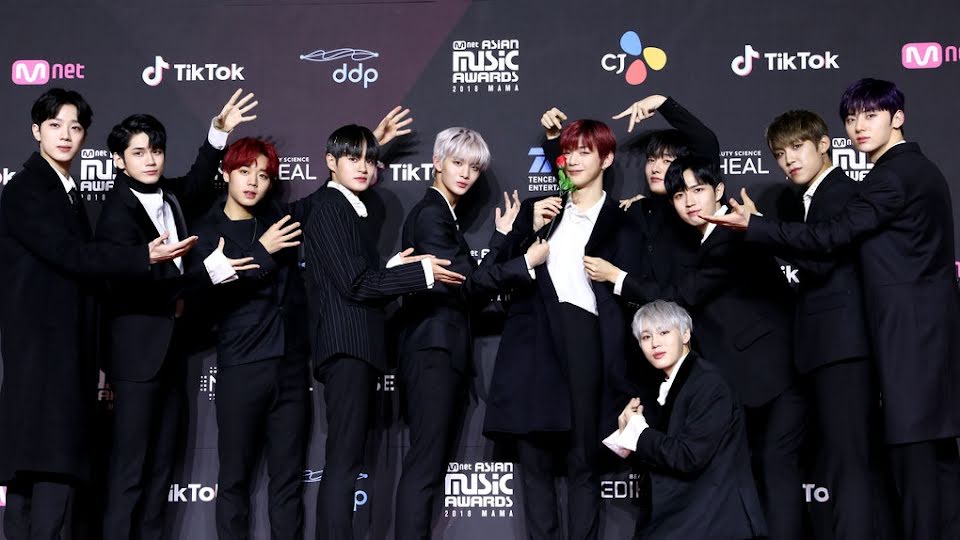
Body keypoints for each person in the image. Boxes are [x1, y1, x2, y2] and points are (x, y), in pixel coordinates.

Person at [706, 78, 960, 539]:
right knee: (925, 463)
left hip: (905, 339)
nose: (859, 126)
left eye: (871, 114)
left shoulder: (890, 178)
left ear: (898, 117)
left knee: (903, 465)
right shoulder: (912, 171)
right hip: (914, 338)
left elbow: (831, 239)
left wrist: (757, 227)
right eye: (851, 117)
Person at [0, 88, 191, 539]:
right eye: (55, 125)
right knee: (45, 464)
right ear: (36, 131)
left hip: (63, 348)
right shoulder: (27, 189)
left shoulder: (66, 192)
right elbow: (69, 254)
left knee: (41, 467)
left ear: (85, 135)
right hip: (42, 349)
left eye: (75, 127)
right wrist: (141, 256)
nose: (66, 135)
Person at [583, 156, 805, 540]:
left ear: (719, 190)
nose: (689, 201)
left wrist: (618, 276)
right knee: (753, 476)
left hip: (771, 379)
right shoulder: (707, 239)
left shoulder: (731, 234)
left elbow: (681, 295)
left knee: (776, 471)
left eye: (698, 190)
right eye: (679, 195)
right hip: (748, 382)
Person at [96, 90, 258, 540]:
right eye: (138, 153)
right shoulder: (115, 216)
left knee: (161, 469)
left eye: (156, 150)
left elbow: (198, 181)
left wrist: (218, 133)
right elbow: (135, 288)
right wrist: (208, 273)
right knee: (129, 471)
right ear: (118, 161)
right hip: (136, 360)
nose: (150, 160)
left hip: (172, 353)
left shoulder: (168, 194)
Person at [303, 124, 465, 540]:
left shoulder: (347, 207)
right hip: (346, 346)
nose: (363, 167)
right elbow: (355, 284)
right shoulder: (330, 207)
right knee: (343, 462)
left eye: (370, 159)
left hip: (357, 347)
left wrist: (391, 270)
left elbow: (358, 276)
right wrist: (420, 274)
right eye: (352, 158)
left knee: (348, 459)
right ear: (330, 163)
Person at [482, 118, 633, 540]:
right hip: (533, 345)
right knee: (535, 464)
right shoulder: (541, 210)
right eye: (569, 152)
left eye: (586, 151)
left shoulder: (622, 219)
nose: (575, 160)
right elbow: (490, 275)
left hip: (587, 342)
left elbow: (634, 292)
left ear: (607, 159)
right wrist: (523, 236)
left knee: (583, 461)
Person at [394, 127, 547, 539]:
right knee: (424, 467)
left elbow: (469, 283)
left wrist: (501, 238)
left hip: (440, 351)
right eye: (457, 162)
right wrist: (524, 263)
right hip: (432, 351)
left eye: (474, 167)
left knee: (428, 466)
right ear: (437, 162)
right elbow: (468, 286)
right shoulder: (431, 216)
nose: (465, 173)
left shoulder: (443, 215)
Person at [766, 109, 878, 539]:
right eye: (780, 153)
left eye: (797, 147)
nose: (789, 160)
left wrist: (761, 230)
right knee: (838, 459)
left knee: (849, 462)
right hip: (822, 350)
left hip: (843, 348)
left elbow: (820, 258)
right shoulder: (811, 199)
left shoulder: (839, 192)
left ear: (824, 144)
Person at [604, 300, 766, 540]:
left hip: (712, 517)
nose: (655, 343)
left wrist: (639, 433)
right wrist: (627, 439)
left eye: (664, 332)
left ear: (686, 334)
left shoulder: (708, 383)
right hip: (684, 514)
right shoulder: (674, 384)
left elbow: (688, 457)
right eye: (646, 337)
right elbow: (665, 459)